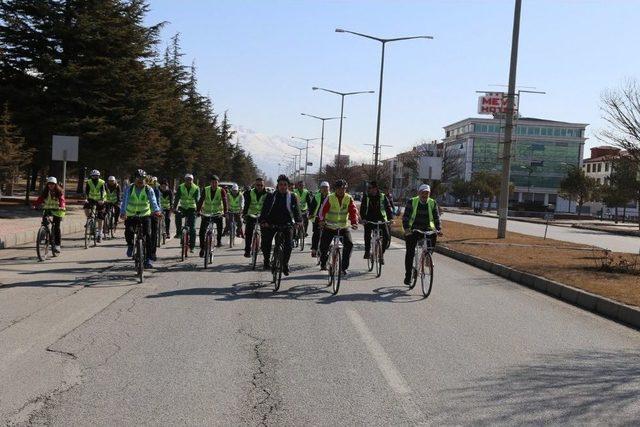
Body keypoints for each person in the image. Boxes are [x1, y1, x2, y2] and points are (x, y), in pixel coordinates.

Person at [259, 174, 302, 274]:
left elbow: (296, 211)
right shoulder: (271, 196)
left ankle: (285, 264)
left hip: (287, 223)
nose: (283, 186)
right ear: (277, 185)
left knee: (289, 244)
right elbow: (265, 210)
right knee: (266, 241)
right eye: (281, 184)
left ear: (288, 186)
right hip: (271, 223)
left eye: (285, 185)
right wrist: (263, 221)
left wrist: (298, 221)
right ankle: (266, 261)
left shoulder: (292, 196)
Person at [402, 184, 443, 285]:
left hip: (428, 229)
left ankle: (428, 256)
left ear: (429, 194)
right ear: (419, 193)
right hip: (413, 230)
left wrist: (438, 229)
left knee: (433, 237)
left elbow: (436, 218)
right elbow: (406, 217)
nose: (425, 195)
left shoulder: (432, 203)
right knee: (410, 253)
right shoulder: (412, 201)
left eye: (427, 193)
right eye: (423, 193)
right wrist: (407, 229)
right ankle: (408, 275)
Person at [120, 169, 162, 268]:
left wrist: (157, 211)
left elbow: (153, 201)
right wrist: (123, 213)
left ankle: (148, 259)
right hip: (131, 214)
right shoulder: (129, 189)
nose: (140, 180)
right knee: (129, 231)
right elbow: (124, 201)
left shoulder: (148, 189)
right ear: (134, 179)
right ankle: (130, 245)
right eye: (138, 178)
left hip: (145, 215)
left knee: (147, 235)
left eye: (143, 178)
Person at [317, 179, 359, 274]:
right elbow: (322, 211)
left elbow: (353, 211)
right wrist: (322, 220)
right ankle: (323, 263)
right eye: (339, 188)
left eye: (344, 188)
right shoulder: (330, 197)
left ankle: (344, 267)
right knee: (324, 246)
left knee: (349, 244)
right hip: (329, 227)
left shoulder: (349, 198)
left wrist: (354, 222)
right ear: (335, 189)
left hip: (343, 227)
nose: (341, 190)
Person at [360, 181, 394, 262]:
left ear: (376, 188)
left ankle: (381, 254)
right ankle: (367, 251)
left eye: (371, 188)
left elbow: (388, 208)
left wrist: (391, 219)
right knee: (367, 235)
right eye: (369, 188)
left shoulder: (383, 197)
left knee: (386, 236)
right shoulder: (366, 197)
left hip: (381, 219)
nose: (370, 190)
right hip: (369, 219)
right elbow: (362, 209)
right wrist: (363, 218)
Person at [32, 177, 65, 254]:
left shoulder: (59, 191)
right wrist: (35, 205)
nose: (51, 185)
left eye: (52, 184)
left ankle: (57, 245)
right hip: (48, 209)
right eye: (49, 184)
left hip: (58, 210)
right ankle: (44, 234)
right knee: (44, 222)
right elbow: (40, 199)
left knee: (56, 227)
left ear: (55, 184)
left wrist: (62, 206)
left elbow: (62, 200)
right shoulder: (46, 191)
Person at [197, 174, 228, 255]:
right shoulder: (206, 189)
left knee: (220, 227)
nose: (214, 184)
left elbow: (225, 202)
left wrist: (225, 212)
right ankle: (202, 248)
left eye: (216, 182)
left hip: (217, 213)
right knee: (202, 231)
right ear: (210, 183)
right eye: (212, 182)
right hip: (206, 213)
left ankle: (218, 241)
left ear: (218, 183)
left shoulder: (221, 190)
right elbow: (201, 200)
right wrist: (198, 211)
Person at [173, 173, 200, 252]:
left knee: (192, 229)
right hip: (183, 207)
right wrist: (174, 208)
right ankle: (178, 233)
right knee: (177, 215)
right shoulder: (181, 187)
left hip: (192, 209)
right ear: (185, 180)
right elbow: (177, 198)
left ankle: (192, 246)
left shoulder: (196, 188)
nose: (189, 181)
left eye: (190, 179)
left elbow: (197, 200)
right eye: (187, 179)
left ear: (193, 180)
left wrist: (198, 210)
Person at [242, 177, 268, 258]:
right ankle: (247, 250)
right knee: (248, 232)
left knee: (265, 233)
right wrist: (244, 214)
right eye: (257, 185)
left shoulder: (267, 194)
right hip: (251, 215)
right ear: (255, 185)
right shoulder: (249, 193)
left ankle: (263, 248)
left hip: (262, 216)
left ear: (264, 185)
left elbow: (268, 207)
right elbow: (246, 205)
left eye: (261, 185)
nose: (259, 187)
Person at [84, 169, 106, 242]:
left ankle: (100, 234)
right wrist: (86, 199)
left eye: (96, 176)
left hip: (100, 200)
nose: (94, 177)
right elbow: (86, 191)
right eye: (93, 176)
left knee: (100, 217)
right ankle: (89, 219)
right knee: (86, 207)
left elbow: (102, 191)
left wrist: (102, 200)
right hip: (91, 199)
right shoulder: (89, 182)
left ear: (98, 176)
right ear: (91, 176)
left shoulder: (101, 182)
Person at [309, 181, 330, 258]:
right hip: (317, 217)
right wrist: (310, 214)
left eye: (326, 188)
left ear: (329, 189)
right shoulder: (317, 196)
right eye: (323, 188)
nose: (325, 189)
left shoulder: (331, 196)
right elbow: (312, 206)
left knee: (327, 234)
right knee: (316, 233)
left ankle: (327, 248)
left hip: (328, 218)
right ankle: (314, 249)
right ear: (320, 189)